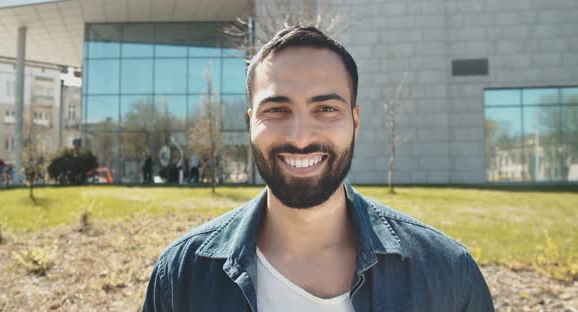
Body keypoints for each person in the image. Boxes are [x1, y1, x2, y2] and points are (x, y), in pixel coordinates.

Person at [142, 26, 494, 311]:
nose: (300, 138)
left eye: (326, 109)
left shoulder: (447, 275)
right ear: (250, 122)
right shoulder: (180, 278)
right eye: (276, 110)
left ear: (356, 122)